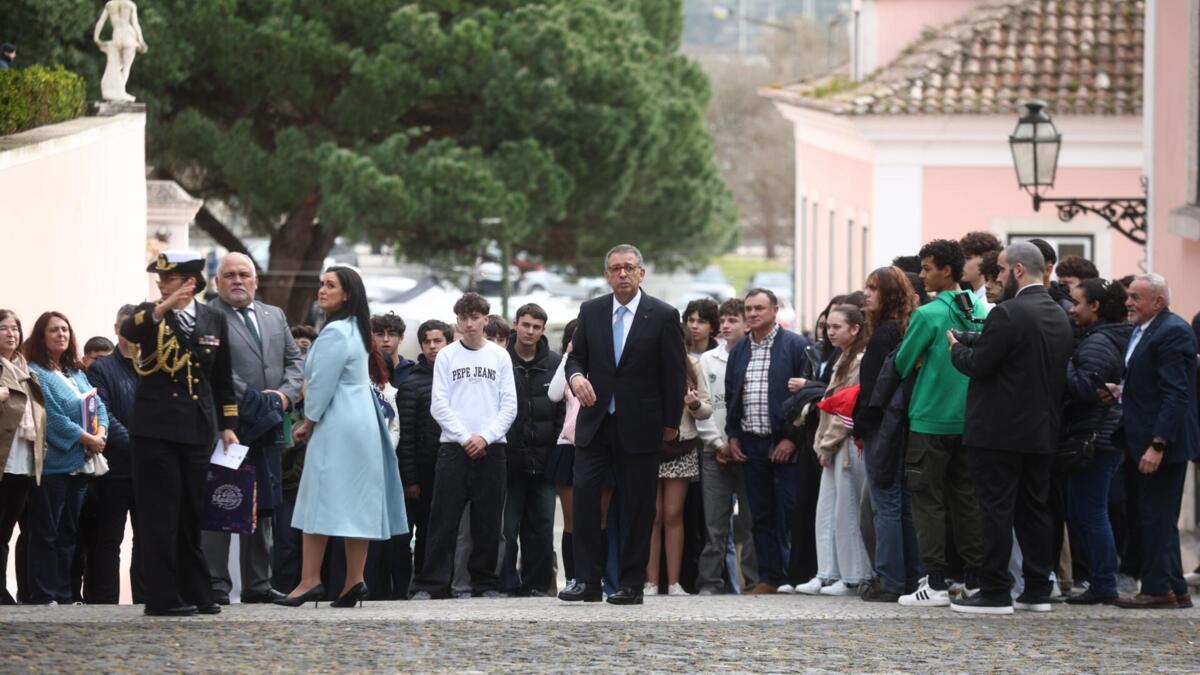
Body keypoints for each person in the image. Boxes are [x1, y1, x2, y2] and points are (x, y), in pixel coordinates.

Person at [947, 241, 1074, 614]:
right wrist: (972, 341)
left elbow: (980, 364)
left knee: (995, 511)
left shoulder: (1009, 312)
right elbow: (1015, 351)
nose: (997, 277)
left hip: (998, 432)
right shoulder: (1057, 314)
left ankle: (995, 591)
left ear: (1018, 270)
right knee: (1034, 511)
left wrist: (956, 348)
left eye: (1001, 270)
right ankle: (1036, 589)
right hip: (1041, 431)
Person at [559, 244, 686, 605]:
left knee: (638, 506)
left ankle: (631, 583)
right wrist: (577, 377)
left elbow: (674, 373)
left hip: (640, 424)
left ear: (641, 273)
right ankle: (587, 580)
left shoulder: (662, 315)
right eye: (616, 268)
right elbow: (575, 358)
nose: (623, 274)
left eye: (629, 267)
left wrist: (670, 423)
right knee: (585, 499)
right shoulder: (592, 311)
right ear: (607, 275)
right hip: (595, 422)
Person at [279, 266, 408, 609]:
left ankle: (309, 580)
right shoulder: (356, 329)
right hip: (362, 419)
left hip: (338, 420)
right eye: (321, 284)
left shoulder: (335, 332)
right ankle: (354, 580)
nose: (322, 290)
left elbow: (322, 384)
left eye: (330, 285)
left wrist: (309, 421)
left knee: (316, 496)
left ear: (347, 293)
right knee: (357, 500)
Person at [121, 251, 238, 616]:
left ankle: (198, 590)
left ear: (190, 282)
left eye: (169, 279)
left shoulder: (213, 318)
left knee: (191, 512)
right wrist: (164, 305)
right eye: (160, 280)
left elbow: (221, 377)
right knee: (161, 514)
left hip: (196, 428)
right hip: (155, 429)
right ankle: (162, 597)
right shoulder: (150, 314)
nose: (161, 284)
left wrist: (228, 426)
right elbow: (130, 331)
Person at [202, 253, 304, 604]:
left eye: (244, 274)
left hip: (268, 426)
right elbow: (215, 368)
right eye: (229, 274)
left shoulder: (274, 315)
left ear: (256, 280)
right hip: (227, 425)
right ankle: (216, 582)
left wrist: (284, 396)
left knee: (264, 504)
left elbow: (294, 361)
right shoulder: (208, 316)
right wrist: (255, 399)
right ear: (217, 281)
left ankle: (258, 583)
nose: (237, 280)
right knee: (222, 500)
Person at [893, 239, 986, 607]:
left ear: (946, 271)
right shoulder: (982, 310)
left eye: (927, 268)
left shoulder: (927, 314)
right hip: (970, 418)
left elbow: (902, 363)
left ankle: (934, 582)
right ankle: (973, 580)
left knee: (927, 502)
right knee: (968, 501)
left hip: (930, 419)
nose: (922, 275)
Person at [410, 293, 516, 600]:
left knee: (488, 519)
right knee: (443, 519)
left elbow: (509, 405)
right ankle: (432, 584)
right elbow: (439, 405)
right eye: (464, 318)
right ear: (457, 321)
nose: (469, 324)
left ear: (485, 319)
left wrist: (485, 437)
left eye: (475, 317)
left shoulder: (499, 357)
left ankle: (485, 583)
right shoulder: (446, 356)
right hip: (453, 448)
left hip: (492, 448)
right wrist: (464, 437)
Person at [1112, 274, 1200, 609]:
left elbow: (1176, 394)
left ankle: (1157, 588)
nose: (1128, 303)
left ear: (1158, 301)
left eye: (1135, 297)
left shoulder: (1173, 331)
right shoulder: (1143, 330)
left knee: (1156, 517)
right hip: (1139, 439)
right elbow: (1148, 382)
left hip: (1162, 445)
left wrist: (1158, 444)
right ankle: (1176, 588)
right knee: (1155, 516)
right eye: (1128, 296)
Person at [724, 288, 812, 595]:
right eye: (748, 309)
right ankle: (770, 577)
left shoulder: (795, 345)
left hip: (785, 442)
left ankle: (800, 575)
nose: (752, 314)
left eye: (759, 308)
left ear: (775, 311)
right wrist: (733, 435)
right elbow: (733, 394)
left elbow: (806, 398)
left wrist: (792, 439)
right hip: (752, 443)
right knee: (760, 514)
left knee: (792, 510)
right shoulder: (739, 350)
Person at [24, 312, 109, 606]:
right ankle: (43, 593)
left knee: (69, 532)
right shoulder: (36, 372)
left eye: (65, 330)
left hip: (81, 463)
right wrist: (87, 439)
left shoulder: (76, 372)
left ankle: (63, 593)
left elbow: (99, 406)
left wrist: (101, 434)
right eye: (54, 330)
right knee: (46, 532)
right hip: (53, 465)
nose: (61, 335)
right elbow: (52, 417)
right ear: (41, 336)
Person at [1061, 279, 1132, 605]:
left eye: (1077, 303)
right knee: (1086, 510)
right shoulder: (1113, 336)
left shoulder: (1098, 342)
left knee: (1090, 512)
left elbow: (1085, 388)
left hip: (1096, 438)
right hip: (1103, 435)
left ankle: (1103, 582)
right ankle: (1102, 579)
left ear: (1096, 306)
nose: (1071, 310)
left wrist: (1064, 360)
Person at [853, 267, 921, 602]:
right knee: (902, 504)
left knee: (887, 505)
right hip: (902, 424)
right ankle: (911, 577)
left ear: (890, 294)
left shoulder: (884, 335)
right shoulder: (904, 329)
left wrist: (862, 424)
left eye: (874, 288)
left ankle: (891, 579)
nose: (866, 294)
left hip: (884, 425)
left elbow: (875, 390)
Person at [795, 304, 871, 595]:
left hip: (845, 444)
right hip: (830, 442)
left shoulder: (859, 360)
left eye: (837, 327)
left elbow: (845, 408)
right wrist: (822, 443)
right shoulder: (842, 356)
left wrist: (827, 443)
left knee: (847, 511)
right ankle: (827, 572)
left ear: (855, 328)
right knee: (826, 510)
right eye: (828, 327)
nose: (830, 332)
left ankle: (853, 576)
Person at [695, 299, 759, 595]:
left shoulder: (754, 356)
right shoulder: (707, 360)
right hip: (715, 452)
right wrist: (718, 443)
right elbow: (703, 406)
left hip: (747, 452)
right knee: (715, 524)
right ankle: (710, 581)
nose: (726, 325)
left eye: (733, 320)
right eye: (723, 320)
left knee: (750, 521)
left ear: (746, 324)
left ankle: (753, 580)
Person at [78, 304, 142, 604]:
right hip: (114, 469)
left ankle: (145, 599)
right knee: (108, 540)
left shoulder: (153, 367)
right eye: (127, 327)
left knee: (147, 540)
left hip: (148, 471)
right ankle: (105, 603)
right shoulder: (102, 369)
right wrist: (139, 445)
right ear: (117, 330)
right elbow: (104, 414)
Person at [500, 304, 561, 597]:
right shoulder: (501, 360)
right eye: (526, 325)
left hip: (545, 461)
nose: (530, 331)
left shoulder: (555, 363)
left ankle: (537, 585)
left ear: (543, 330)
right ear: (515, 325)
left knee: (542, 527)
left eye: (536, 327)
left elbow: (562, 411)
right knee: (507, 528)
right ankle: (507, 584)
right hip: (509, 461)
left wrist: (557, 451)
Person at [646, 354, 711, 596]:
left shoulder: (691, 364)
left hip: (681, 444)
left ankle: (674, 583)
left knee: (673, 514)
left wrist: (694, 405)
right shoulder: (643, 357)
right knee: (652, 515)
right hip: (648, 445)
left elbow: (706, 410)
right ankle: (651, 583)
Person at [395, 319, 451, 587]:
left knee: (445, 528)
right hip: (422, 468)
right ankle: (420, 581)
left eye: (438, 340)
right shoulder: (412, 384)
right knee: (423, 528)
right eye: (427, 341)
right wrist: (410, 479)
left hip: (450, 465)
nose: (432, 346)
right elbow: (405, 436)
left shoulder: (454, 378)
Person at [0, 310, 44, 605]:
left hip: (23, 460)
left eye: (15, 328)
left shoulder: (25, 370)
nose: (11, 334)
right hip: (3, 459)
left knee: (7, 529)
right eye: (4, 328)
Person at [959, 231, 1003, 312]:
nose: (961, 263)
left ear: (985, 259)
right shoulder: (973, 296)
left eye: (968, 258)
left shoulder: (990, 301)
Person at [372, 312, 416, 388]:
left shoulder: (412, 372)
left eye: (392, 334)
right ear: (372, 338)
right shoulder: (365, 372)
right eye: (380, 334)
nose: (386, 339)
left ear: (401, 338)